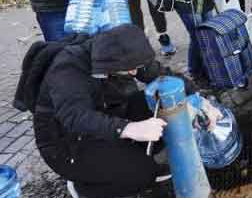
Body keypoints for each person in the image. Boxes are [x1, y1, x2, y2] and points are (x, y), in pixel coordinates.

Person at [32, 24, 222, 198]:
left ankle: (127, 157)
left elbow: (161, 74)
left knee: (161, 106)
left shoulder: (119, 55)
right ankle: (85, 187)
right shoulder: (67, 70)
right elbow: (75, 117)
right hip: (66, 142)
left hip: (107, 112)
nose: (135, 73)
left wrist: (199, 99)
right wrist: (129, 129)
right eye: (131, 70)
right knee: (143, 174)